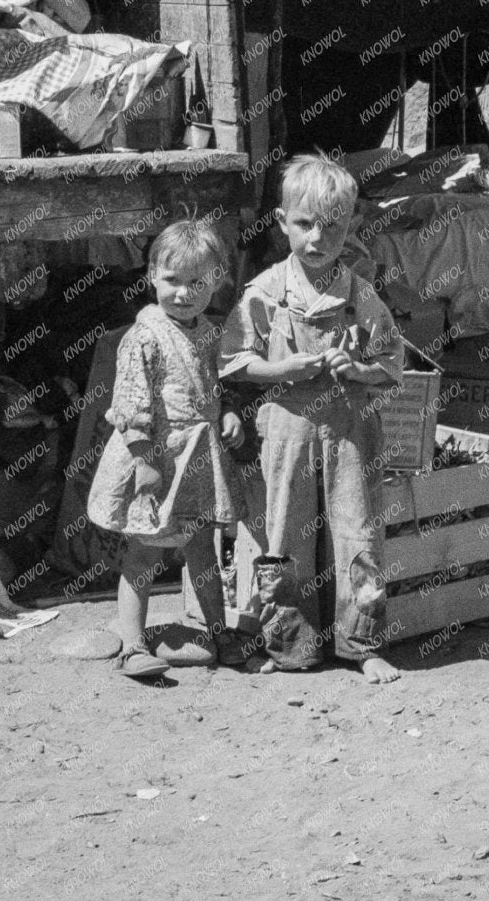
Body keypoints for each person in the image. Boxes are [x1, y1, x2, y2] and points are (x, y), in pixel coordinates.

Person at [221, 154, 404, 685]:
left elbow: (392, 364)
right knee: (285, 534)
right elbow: (234, 361)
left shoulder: (360, 294)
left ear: (351, 225)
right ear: (281, 223)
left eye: (333, 226)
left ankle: (361, 644)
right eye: (303, 224)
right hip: (286, 431)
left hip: (350, 432)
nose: (317, 239)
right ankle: (291, 646)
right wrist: (283, 368)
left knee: (357, 532)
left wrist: (359, 367)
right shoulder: (265, 292)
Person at [86, 219, 246, 678]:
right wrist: (144, 461)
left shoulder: (209, 334)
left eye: (197, 282)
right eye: (172, 280)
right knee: (143, 554)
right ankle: (133, 645)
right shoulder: (145, 337)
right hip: (156, 458)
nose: (183, 293)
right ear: (152, 275)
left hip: (196, 459)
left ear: (215, 282)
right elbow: (131, 405)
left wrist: (229, 413)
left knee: (203, 552)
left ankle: (217, 630)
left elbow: (217, 387)